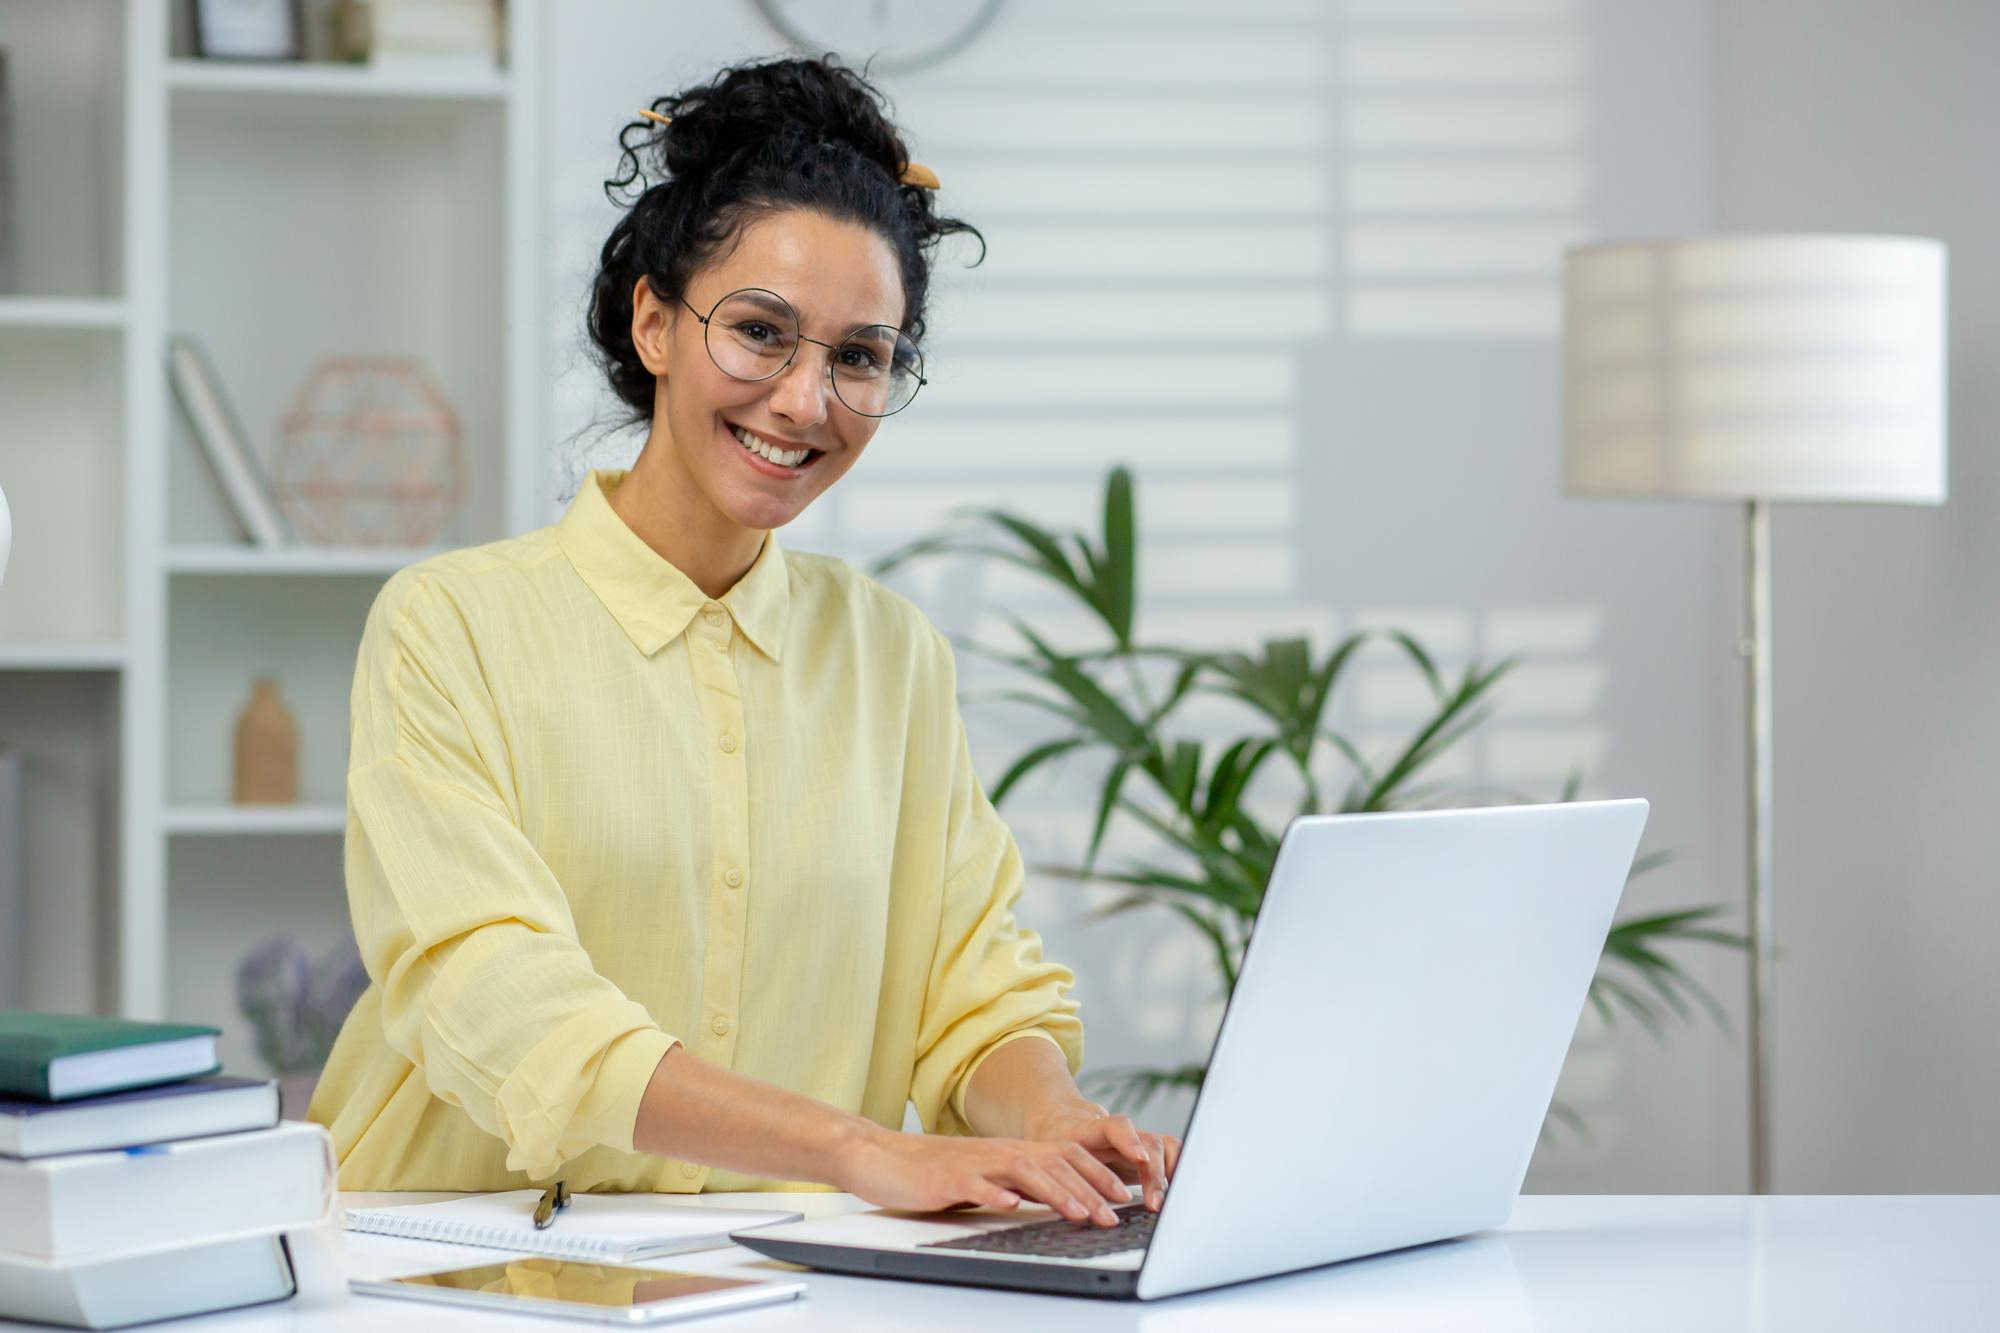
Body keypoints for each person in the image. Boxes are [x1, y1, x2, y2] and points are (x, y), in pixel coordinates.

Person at [308, 54, 1181, 1229]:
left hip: (775, 1268)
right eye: (761, 331)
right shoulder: (450, 625)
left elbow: (970, 981)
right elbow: (490, 988)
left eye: (860, 357)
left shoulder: (890, 653)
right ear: (654, 322)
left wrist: (1048, 1115)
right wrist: (856, 1149)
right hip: (441, 1253)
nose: (805, 400)